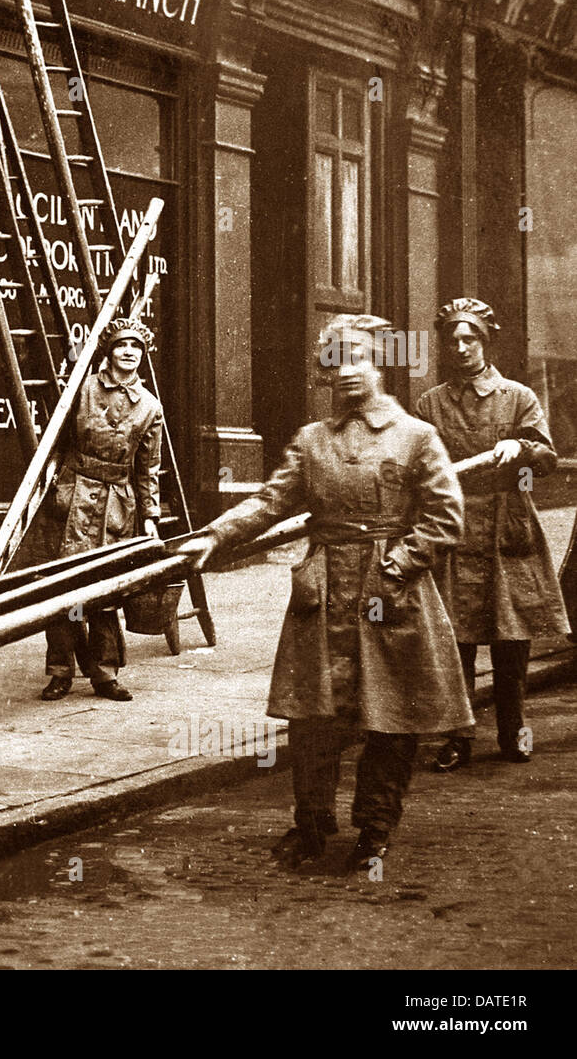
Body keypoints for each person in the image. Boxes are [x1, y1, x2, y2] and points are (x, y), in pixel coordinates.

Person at [177, 315, 470, 871]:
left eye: (358, 359)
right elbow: (270, 502)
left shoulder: (417, 437)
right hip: (323, 593)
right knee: (313, 719)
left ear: (380, 363)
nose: (348, 373)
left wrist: (400, 562)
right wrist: (214, 536)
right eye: (336, 363)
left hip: (393, 595)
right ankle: (310, 826)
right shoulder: (311, 441)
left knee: (391, 720)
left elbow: (445, 518)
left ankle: (375, 830)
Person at [415, 298, 570, 771]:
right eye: (453, 340)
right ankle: (457, 738)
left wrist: (519, 445)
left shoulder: (518, 397)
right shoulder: (430, 402)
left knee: (511, 640)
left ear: (485, 342)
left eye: (470, 339)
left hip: (508, 533)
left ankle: (513, 731)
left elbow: (547, 460)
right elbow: (419, 465)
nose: (461, 348)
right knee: (455, 640)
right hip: (454, 529)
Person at [42, 317, 163, 703]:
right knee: (64, 589)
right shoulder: (83, 388)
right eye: (121, 346)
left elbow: (149, 469)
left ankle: (104, 675)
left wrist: (149, 516)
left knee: (107, 591)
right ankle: (60, 672)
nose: (129, 353)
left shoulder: (150, 407)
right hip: (73, 497)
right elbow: (55, 443)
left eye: (136, 347)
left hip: (118, 505)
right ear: (109, 352)